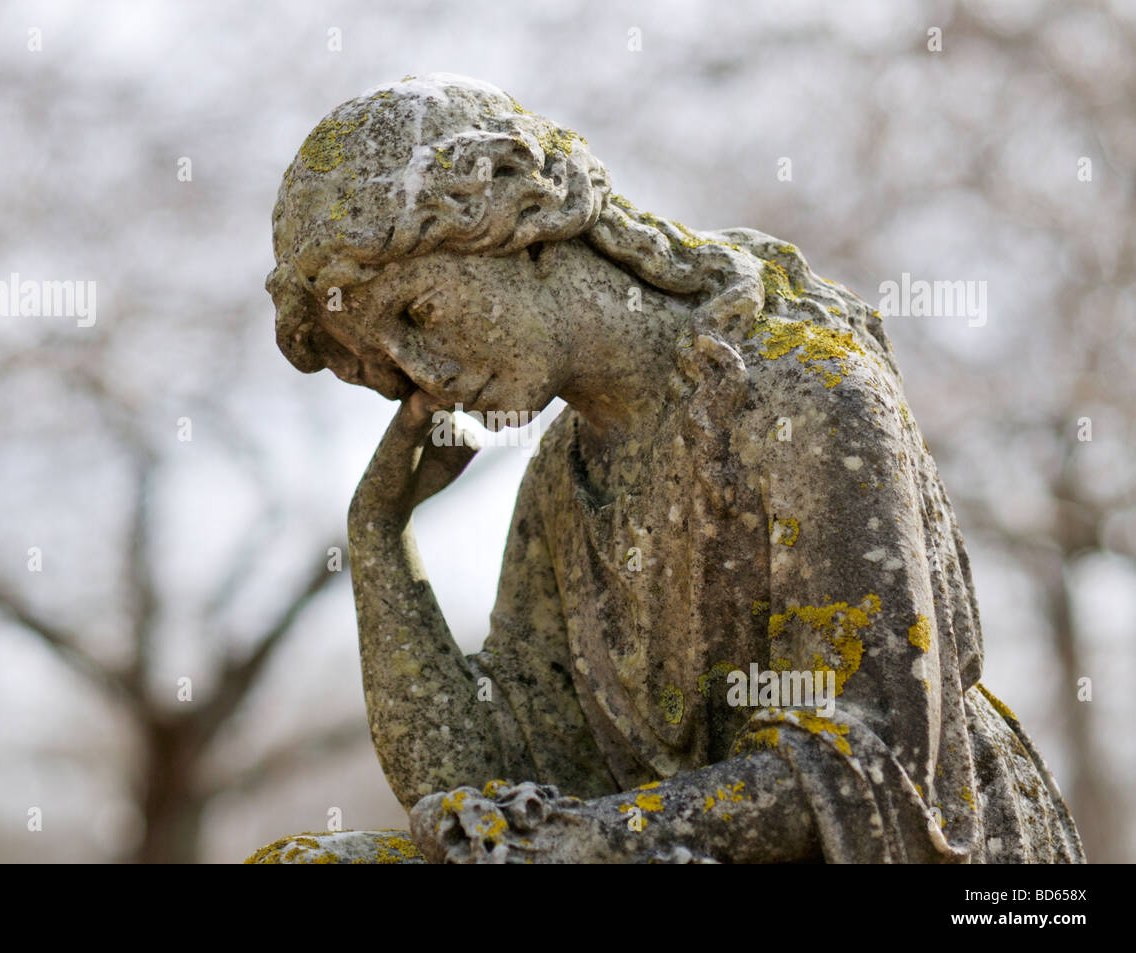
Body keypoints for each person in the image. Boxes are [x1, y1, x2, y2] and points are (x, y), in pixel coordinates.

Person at [252, 73, 1084, 864]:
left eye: (418, 312)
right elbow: (479, 794)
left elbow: (872, 760)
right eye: (383, 363)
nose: (424, 372)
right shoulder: (560, 477)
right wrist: (378, 536)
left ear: (522, 223)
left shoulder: (805, 396)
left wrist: (596, 839)